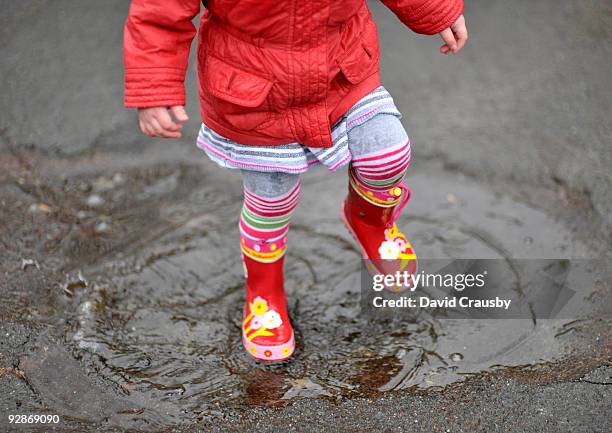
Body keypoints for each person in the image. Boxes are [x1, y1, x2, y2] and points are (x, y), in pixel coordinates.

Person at [124, 0, 468, 362]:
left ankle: (370, 221)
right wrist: (154, 87)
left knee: (387, 153)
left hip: (341, 74)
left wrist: (436, 9)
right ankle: (264, 292)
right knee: (270, 201)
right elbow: (158, 13)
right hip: (256, 98)